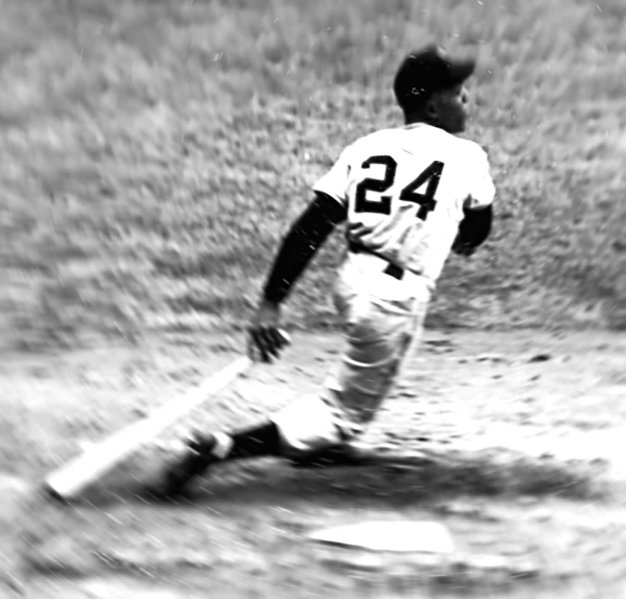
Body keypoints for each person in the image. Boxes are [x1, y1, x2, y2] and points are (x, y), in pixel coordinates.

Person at [160, 43, 496, 498]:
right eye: (458, 92)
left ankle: (321, 439)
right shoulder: (469, 156)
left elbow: (310, 228)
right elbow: (475, 234)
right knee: (342, 417)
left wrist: (270, 304)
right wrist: (453, 230)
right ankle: (221, 447)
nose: (467, 99)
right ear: (433, 106)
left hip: (352, 282)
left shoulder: (366, 147)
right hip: (393, 301)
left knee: (354, 376)